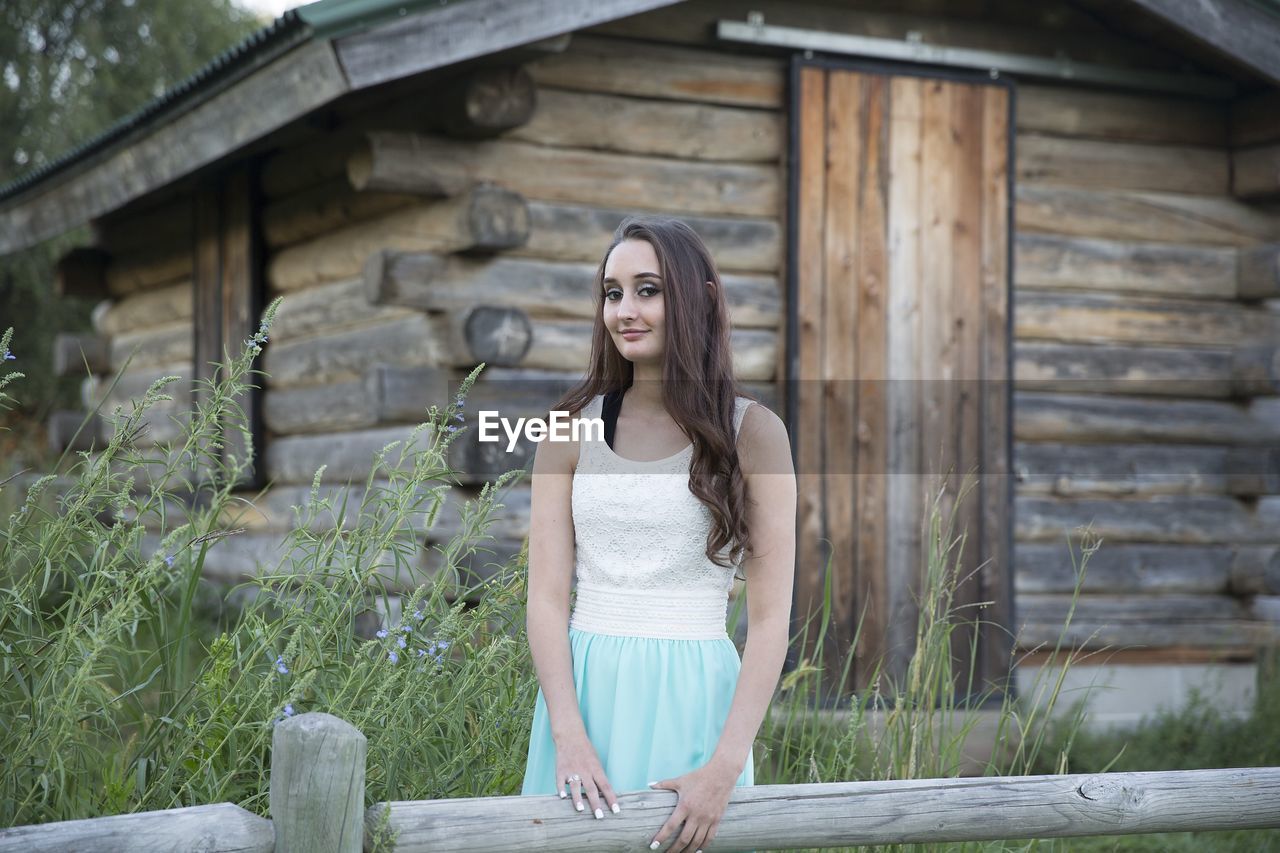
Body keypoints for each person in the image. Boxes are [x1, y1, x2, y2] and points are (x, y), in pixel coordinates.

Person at [519, 216, 797, 853]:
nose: (625, 310)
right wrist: (568, 733)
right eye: (613, 293)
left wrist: (725, 767)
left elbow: (772, 617)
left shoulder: (755, 433)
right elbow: (545, 599)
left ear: (698, 297)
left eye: (648, 289)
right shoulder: (568, 427)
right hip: (583, 696)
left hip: (695, 698)